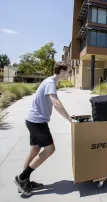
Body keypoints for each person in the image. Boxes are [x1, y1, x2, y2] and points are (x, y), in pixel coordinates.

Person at [13, 61, 74, 196]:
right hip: (37, 121)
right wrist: (69, 119)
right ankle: (22, 178)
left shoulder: (51, 82)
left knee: (35, 149)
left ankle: (24, 183)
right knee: (50, 149)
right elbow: (56, 103)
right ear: (62, 71)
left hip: (32, 120)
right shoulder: (50, 83)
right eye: (69, 71)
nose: (70, 73)